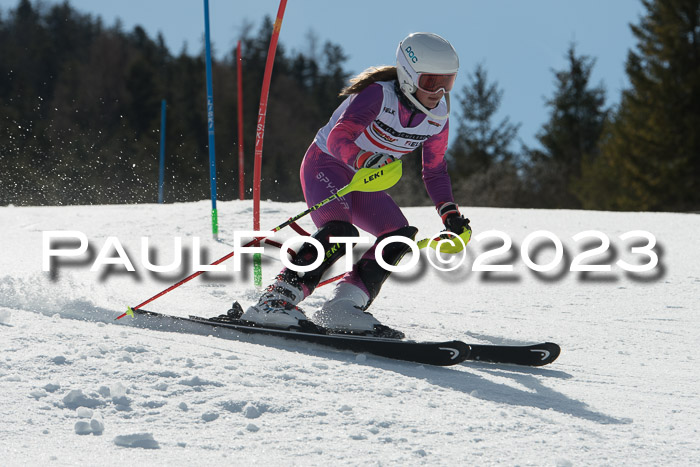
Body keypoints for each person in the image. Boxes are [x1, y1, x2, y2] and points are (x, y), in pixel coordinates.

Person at [237, 32, 471, 338]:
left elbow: (435, 170)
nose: (439, 92)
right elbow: (337, 136)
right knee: (340, 232)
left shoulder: (438, 117)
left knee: (398, 237)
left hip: (362, 180)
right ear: (409, 77)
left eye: (448, 83)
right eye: (431, 82)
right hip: (328, 164)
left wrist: (449, 213)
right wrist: (361, 159)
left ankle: (343, 309)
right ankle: (275, 300)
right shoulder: (378, 94)